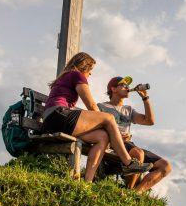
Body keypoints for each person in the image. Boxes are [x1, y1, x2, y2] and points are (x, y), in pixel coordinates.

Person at [41, 52, 153, 182]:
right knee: (108, 118)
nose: (90, 74)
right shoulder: (77, 75)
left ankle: (87, 181)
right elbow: (92, 105)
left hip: (53, 121)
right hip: (58, 115)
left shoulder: (66, 76)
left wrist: (109, 133)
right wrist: (111, 128)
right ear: (85, 66)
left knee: (102, 137)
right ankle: (128, 163)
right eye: (90, 70)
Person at [98, 76, 171, 192]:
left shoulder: (129, 109)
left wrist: (145, 98)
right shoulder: (101, 107)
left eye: (128, 85)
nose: (128, 87)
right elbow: (96, 127)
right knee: (138, 153)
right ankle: (129, 190)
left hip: (128, 143)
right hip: (112, 143)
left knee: (165, 166)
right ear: (113, 89)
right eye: (124, 85)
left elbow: (149, 121)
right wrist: (113, 133)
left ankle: (135, 193)